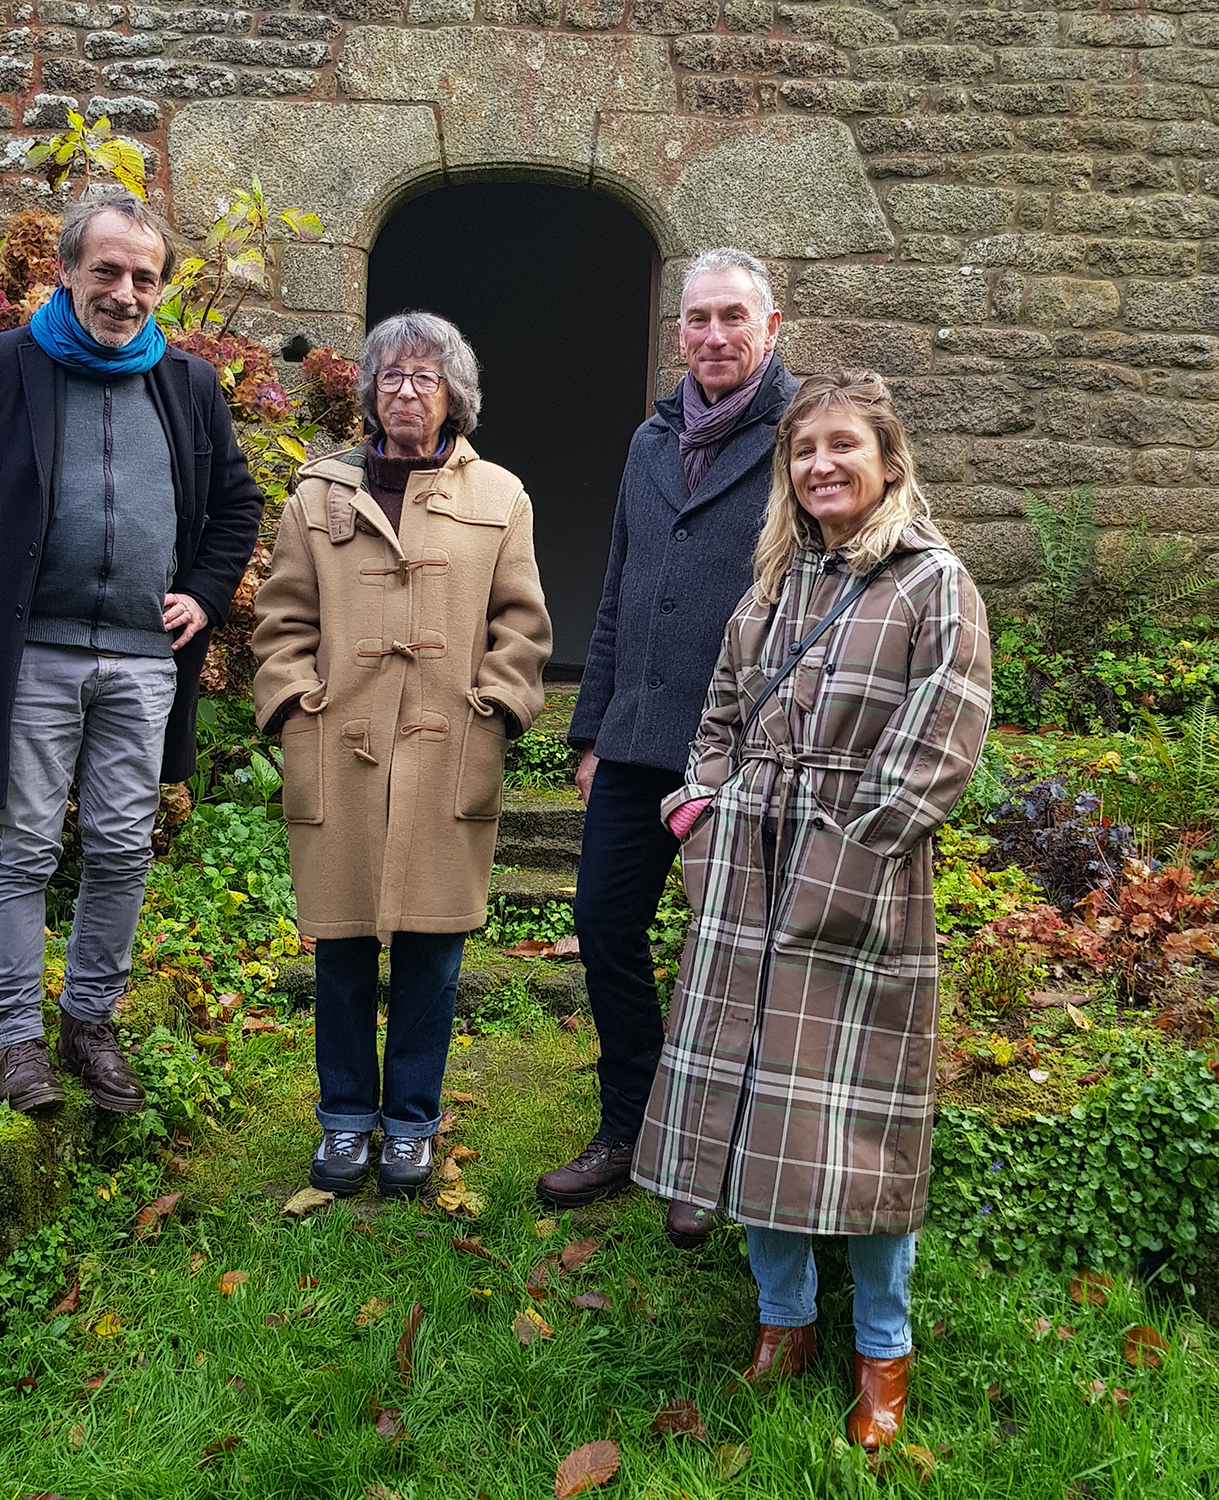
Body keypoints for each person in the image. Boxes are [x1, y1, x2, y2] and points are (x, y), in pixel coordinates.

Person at [632, 369, 992, 1451]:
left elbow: (939, 750)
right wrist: (702, 812)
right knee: (760, 1117)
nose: (821, 465)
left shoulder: (935, 585)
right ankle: (782, 1324)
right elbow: (719, 718)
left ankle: (883, 1350)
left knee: (866, 1131)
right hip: (746, 881)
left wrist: (835, 864)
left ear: (887, 460)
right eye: (803, 451)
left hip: (863, 895)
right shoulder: (772, 590)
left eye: (844, 446)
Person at [0, 190, 263, 1115]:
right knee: (23, 846)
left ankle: (89, 1020)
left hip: (144, 662)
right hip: (32, 652)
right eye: (106, 271)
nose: (125, 293)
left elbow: (237, 506)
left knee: (119, 848)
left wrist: (208, 590)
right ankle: (15, 1040)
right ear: (66, 272)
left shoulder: (185, 384)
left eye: (144, 277)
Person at [252, 311, 551, 1199]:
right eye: (390, 376)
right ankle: (345, 1123)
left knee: (431, 951)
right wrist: (292, 709)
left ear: (455, 393)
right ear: (369, 392)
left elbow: (521, 623)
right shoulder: (316, 494)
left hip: (445, 750)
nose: (406, 391)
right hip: (338, 748)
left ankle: (412, 1124)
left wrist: (496, 706)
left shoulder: (499, 495)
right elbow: (282, 618)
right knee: (340, 949)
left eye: (425, 377)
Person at [536, 248, 796, 1226]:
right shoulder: (650, 442)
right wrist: (593, 728)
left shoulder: (796, 440)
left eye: (734, 317)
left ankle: (705, 1155)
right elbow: (617, 591)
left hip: (742, 751)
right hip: (639, 742)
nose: (714, 335)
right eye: (697, 319)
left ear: (770, 331)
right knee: (605, 926)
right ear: (677, 331)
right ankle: (629, 1124)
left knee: (725, 952)